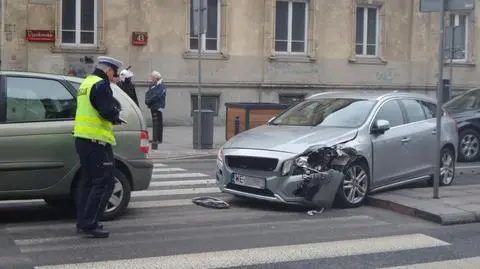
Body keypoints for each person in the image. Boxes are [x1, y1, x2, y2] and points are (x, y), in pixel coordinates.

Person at [72, 56, 125, 238]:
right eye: (115, 73)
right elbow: (106, 110)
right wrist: (116, 114)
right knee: (104, 182)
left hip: (83, 139)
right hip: (97, 141)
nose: (115, 77)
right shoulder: (102, 85)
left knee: (88, 183)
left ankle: (83, 221)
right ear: (108, 70)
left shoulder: (86, 82)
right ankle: (90, 223)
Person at [145, 70, 166, 148]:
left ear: (156, 78)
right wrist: (147, 101)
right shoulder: (154, 85)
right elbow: (148, 93)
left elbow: (157, 95)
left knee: (158, 123)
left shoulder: (161, 85)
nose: (151, 79)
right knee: (155, 123)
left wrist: (149, 100)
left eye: (152, 77)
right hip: (153, 106)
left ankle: (158, 139)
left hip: (158, 106)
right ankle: (155, 138)